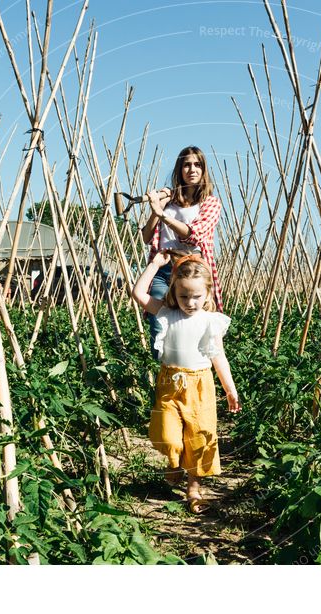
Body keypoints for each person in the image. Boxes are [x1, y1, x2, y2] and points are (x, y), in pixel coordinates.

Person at [131, 251, 241, 513]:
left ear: (207, 294)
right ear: (174, 292)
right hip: (170, 382)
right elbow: (138, 293)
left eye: (196, 296)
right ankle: (174, 461)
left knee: (199, 436)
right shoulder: (167, 312)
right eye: (183, 296)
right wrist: (155, 265)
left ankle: (194, 487)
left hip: (200, 384)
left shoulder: (209, 321)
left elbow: (219, 357)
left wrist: (230, 388)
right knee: (168, 435)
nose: (190, 302)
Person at [140, 146, 223, 358]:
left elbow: (193, 235)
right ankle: (164, 367)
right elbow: (146, 237)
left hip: (191, 269)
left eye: (197, 165)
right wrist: (156, 210)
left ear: (204, 170)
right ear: (179, 169)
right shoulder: (169, 202)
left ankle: (194, 363)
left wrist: (163, 215)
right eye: (187, 165)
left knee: (195, 321)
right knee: (158, 320)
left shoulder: (210, 203)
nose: (192, 169)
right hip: (164, 267)